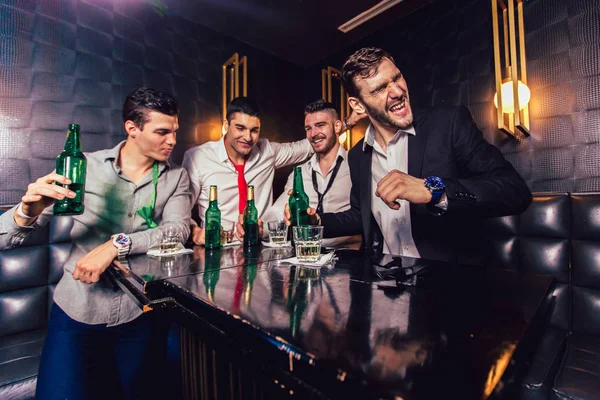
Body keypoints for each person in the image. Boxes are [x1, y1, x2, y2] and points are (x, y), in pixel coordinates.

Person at [0, 87, 191, 399]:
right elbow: (7, 239)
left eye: (174, 131)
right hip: (77, 312)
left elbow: (178, 229)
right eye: (162, 132)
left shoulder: (177, 176)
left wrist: (118, 244)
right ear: (132, 128)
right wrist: (26, 211)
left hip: (139, 314)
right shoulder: (83, 167)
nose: (172, 140)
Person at [287, 47, 532, 261]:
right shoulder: (357, 156)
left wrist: (433, 190)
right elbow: (361, 216)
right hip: (386, 284)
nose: (397, 91)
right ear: (358, 105)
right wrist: (317, 222)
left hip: (451, 287)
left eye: (397, 78)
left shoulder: (449, 123)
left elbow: (515, 192)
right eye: (380, 88)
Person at [183, 97, 315, 245]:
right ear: (226, 125)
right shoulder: (198, 157)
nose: (247, 137)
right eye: (240, 128)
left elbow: (308, 146)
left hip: (260, 247)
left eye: (254, 131)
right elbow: (180, 211)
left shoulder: (267, 151)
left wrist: (345, 124)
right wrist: (195, 233)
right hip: (216, 248)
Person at [262, 99, 363, 247]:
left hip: (346, 255)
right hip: (305, 254)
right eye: (308, 128)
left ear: (337, 126)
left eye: (320, 125)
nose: (313, 134)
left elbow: (362, 217)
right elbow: (278, 211)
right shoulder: (300, 172)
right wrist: (262, 228)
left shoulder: (355, 166)